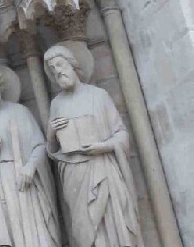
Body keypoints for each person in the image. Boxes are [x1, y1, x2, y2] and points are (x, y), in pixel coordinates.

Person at [45, 45, 141, 247]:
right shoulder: (56, 104)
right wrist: (52, 132)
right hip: (74, 174)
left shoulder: (99, 95)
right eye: (53, 70)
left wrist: (103, 147)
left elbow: (121, 134)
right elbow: (52, 150)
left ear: (72, 64)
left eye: (60, 65)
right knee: (84, 229)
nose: (58, 71)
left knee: (113, 222)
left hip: (103, 168)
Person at [0, 65, 61, 247]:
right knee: (6, 234)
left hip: (22, 178)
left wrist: (30, 167)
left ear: (0, 84)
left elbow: (39, 146)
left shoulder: (19, 112)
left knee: (33, 231)